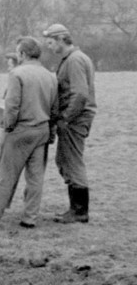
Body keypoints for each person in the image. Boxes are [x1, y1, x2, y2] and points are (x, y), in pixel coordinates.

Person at [0, 37, 58, 229]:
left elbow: (12, 106)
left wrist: (7, 127)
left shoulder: (17, 74)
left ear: (23, 54)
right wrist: (51, 132)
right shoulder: (50, 76)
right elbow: (55, 109)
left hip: (19, 131)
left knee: (5, 176)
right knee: (35, 178)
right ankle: (30, 218)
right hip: (41, 130)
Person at [43, 23, 97, 224]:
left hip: (74, 120)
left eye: (50, 42)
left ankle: (79, 211)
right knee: (65, 160)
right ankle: (76, 209)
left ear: (60, 39)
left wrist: (65, 118)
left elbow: (80, 94)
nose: (49, 47)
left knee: (71, 162)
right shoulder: (73, 58)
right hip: (75, 119)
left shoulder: (74, 61)